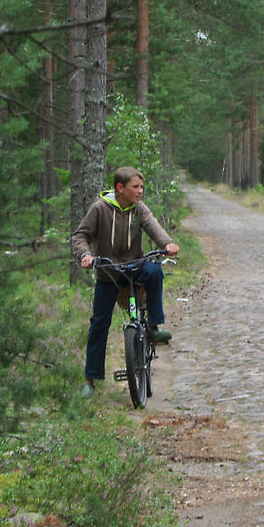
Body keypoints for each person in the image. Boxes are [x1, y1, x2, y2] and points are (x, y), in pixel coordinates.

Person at [72, 166, 179, 397]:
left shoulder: (139, 209)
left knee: (154, 272)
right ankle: (90, 380)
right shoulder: (100, 208)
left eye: (141, 187)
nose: (140, 191)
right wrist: (85, 255)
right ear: (120, 188)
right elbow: (80, 236)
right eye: (135, 187)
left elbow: (153, 227)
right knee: (99, 324)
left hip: (134, 266)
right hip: (108, 272)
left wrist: (167, 243)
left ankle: (153, 327)